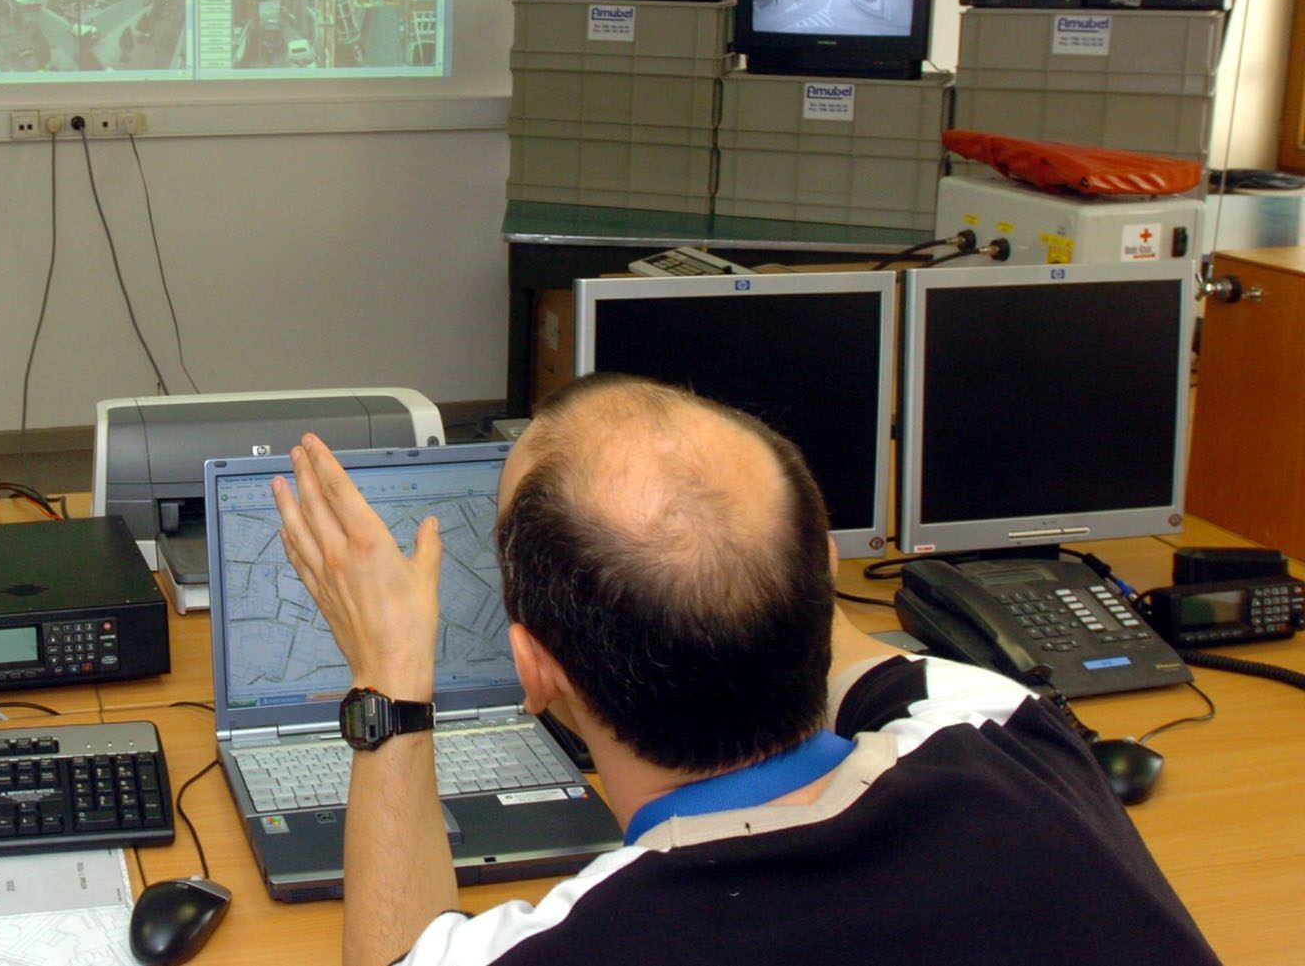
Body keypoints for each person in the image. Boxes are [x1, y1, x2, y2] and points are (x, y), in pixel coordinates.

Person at [271, 374, 1219, 966]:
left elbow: (398, 952)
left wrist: (390, 673)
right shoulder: (1013, 737)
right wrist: (712, 508)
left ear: (537, 670)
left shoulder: (581, 941)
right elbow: (826, 615)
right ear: (823, 571)